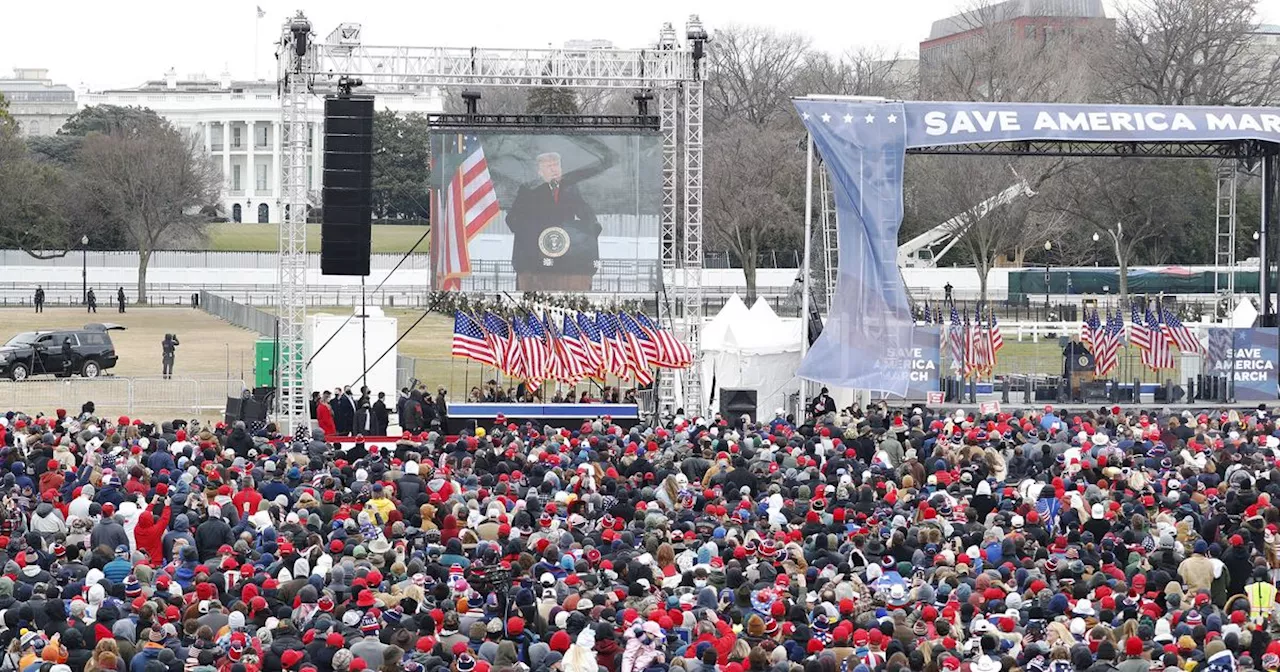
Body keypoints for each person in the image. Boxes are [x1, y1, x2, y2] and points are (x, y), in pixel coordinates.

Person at [504, 143, 613, 292]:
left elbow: (584, 212)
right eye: (549, 166)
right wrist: (532, 232)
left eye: (556, 165)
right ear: (540, 172)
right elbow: (512, 220)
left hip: (566, 259)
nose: (554, 169)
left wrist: (593, 227)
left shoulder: (570, 188)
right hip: (535, 261)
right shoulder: (528, 190)